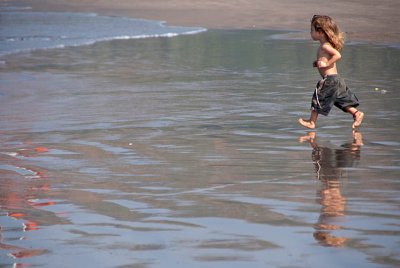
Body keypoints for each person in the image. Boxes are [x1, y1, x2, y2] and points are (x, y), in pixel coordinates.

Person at [298, 15, 364, 129]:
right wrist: (318, 62)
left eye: (312, 30)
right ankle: (356, 113)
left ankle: (312, 122)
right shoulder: (324, 46)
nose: (310, 33)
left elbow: (338, 55)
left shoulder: (325, 46)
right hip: (335, 79)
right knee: (339, 101)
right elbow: (327, 58)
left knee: (318, 97)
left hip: (329, 80)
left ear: (321, 32)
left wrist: (326, 64)